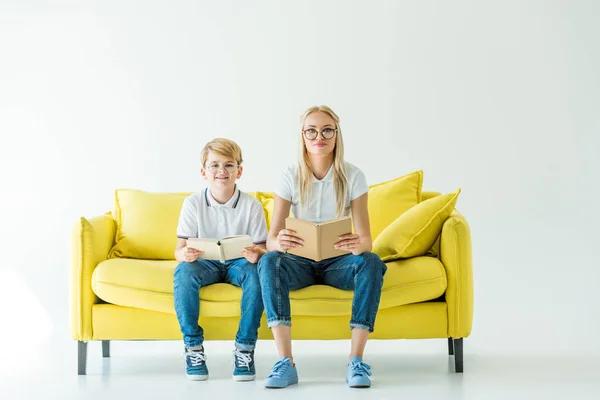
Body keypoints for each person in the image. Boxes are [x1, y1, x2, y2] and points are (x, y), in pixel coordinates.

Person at [257, 106, 387, 388]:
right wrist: (278, 242)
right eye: (311, 131)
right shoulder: (289, 175)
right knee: (269, 261)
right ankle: (285, 362)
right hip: (300, 263)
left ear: (337, 135)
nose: (320, 136)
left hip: (338, 263)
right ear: (302, 136)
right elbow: (270, 240)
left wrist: (356, 245)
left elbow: (366, 240)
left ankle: (356, 360)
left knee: (372, 261)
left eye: (327, 130)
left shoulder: (353, 176)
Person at [173, 138, 267, 381]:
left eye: (229, 165)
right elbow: (179, 249)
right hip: (206, 262)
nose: (221, 172)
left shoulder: (251, 205)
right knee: (184, 272)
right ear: (204, 172)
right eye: (214, 166)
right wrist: (184, 254)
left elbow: (263, 248)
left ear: (239, 171)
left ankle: (245, 348)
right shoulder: (193, 203)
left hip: (238, 263)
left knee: (257, 273)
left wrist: (256, 254)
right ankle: (193, 348)